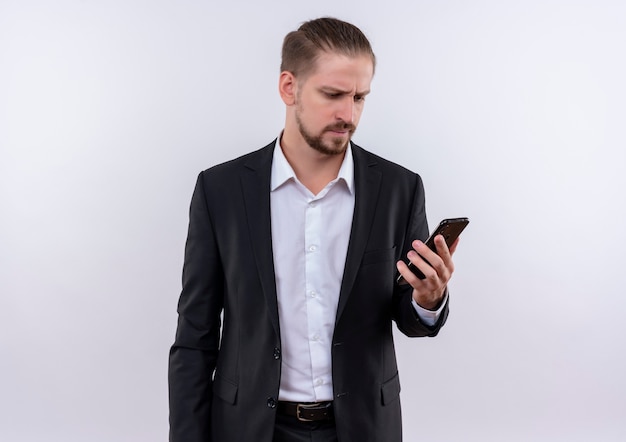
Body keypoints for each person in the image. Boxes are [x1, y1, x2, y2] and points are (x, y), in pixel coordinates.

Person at [168, 17, 459, 442]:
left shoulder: (399, 188)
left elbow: (408, 318)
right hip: (249, 427)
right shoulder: (221, 191)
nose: (349, 113)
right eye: (333, 95)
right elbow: (195, 338)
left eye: (360, 97)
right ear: (289, 87)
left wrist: (427, 299)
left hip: (362, 428)